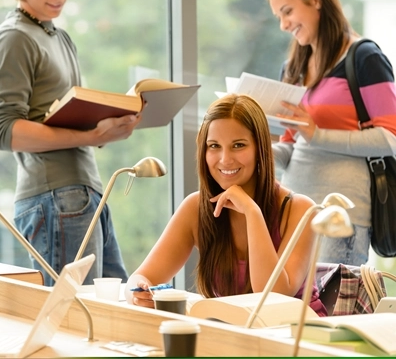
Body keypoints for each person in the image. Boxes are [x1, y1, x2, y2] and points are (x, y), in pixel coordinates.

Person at [0, 0, 140, 286]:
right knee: (74, 318)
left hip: (83, 193)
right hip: (55, 196)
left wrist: (106, 130)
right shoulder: (14, 38)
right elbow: (5, 131)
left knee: (107, 311)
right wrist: (88, 135)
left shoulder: (58, 37)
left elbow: (70, 119)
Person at [126, 94, 327, 316]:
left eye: (238, 145)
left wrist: (252, 212)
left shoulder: (300, 210)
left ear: (260, 148)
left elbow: (272, 296)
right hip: (235, 336)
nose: (225, 159)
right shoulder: (196, 207)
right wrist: (138, 291)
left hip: (297, 337)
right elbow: (141, 277)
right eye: (214, 146)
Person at [263, 0, 396, 265]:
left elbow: (391, 138)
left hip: (340, 218)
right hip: (293, 213)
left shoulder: (364, 57)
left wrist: (317, 134)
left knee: (330, 311)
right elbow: (292, 145)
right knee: (292, 311)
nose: (283, 25)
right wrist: (255, 151)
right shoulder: (293, 68)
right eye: (278, 16)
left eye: (287, 11)